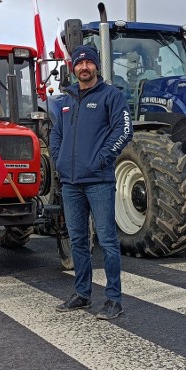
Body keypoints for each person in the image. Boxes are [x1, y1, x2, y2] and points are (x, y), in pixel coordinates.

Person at [49, 45, 132, 320]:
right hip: (71, 183)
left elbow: (124, 131)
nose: (84, 67)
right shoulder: (65, 100)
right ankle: (82, 294)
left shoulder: (112, 96)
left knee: (107, 241)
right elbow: (56, 134)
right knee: (78, 240)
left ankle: (113, 300)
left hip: (98, 180)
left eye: (89, 63)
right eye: (79, 63)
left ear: (97, 66)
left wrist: (101, 159)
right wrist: (59, 161)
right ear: (73, 68)